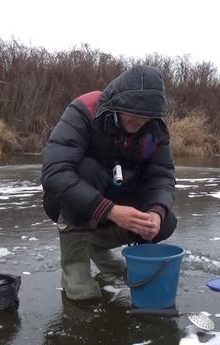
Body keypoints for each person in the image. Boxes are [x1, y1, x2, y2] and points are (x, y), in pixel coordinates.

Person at [41, 65, 177, 301]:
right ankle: (75, 267)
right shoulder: (85, 110)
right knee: (88, 170)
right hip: (70, 202)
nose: (140, 121)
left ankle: (96, 245)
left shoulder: (154, 129)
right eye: (133, 113)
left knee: (166, 222)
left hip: (118, 193)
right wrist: (110, 211)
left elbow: (162, 175)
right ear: (117, 104)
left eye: (147, 116)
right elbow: (55, 173)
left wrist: (156, 211)